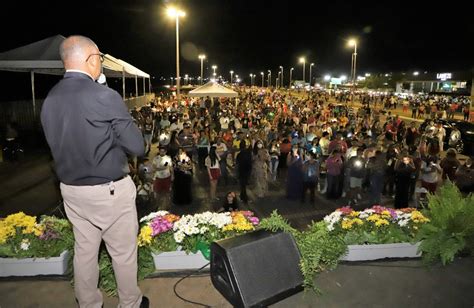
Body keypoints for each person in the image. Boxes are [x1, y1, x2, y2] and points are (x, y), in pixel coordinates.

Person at [40, 35, 148, 308]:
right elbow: (137, 146)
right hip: (108, 190)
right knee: (122, 253)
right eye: (99, 58)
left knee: (85, 251)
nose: (100, 63)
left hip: (71, 191)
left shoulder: (50, 98)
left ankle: (88, 304)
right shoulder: (104, 96)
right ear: (91, 58)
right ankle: (130, 304)